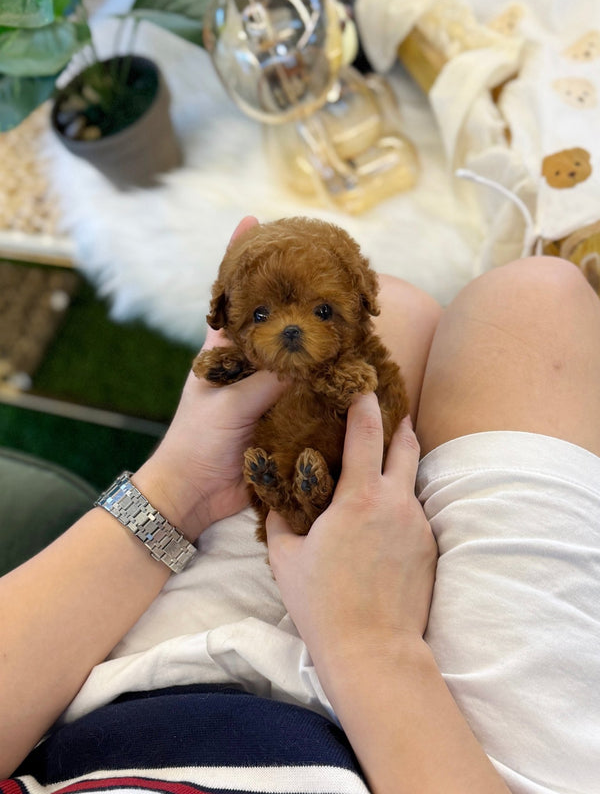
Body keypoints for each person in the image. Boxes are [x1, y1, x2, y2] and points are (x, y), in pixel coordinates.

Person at [1, 215, 599, 793]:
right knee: (538, 302)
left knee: (404, 307)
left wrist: (180, 487)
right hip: (461, 761)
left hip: (139, 694)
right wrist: (372, 644)